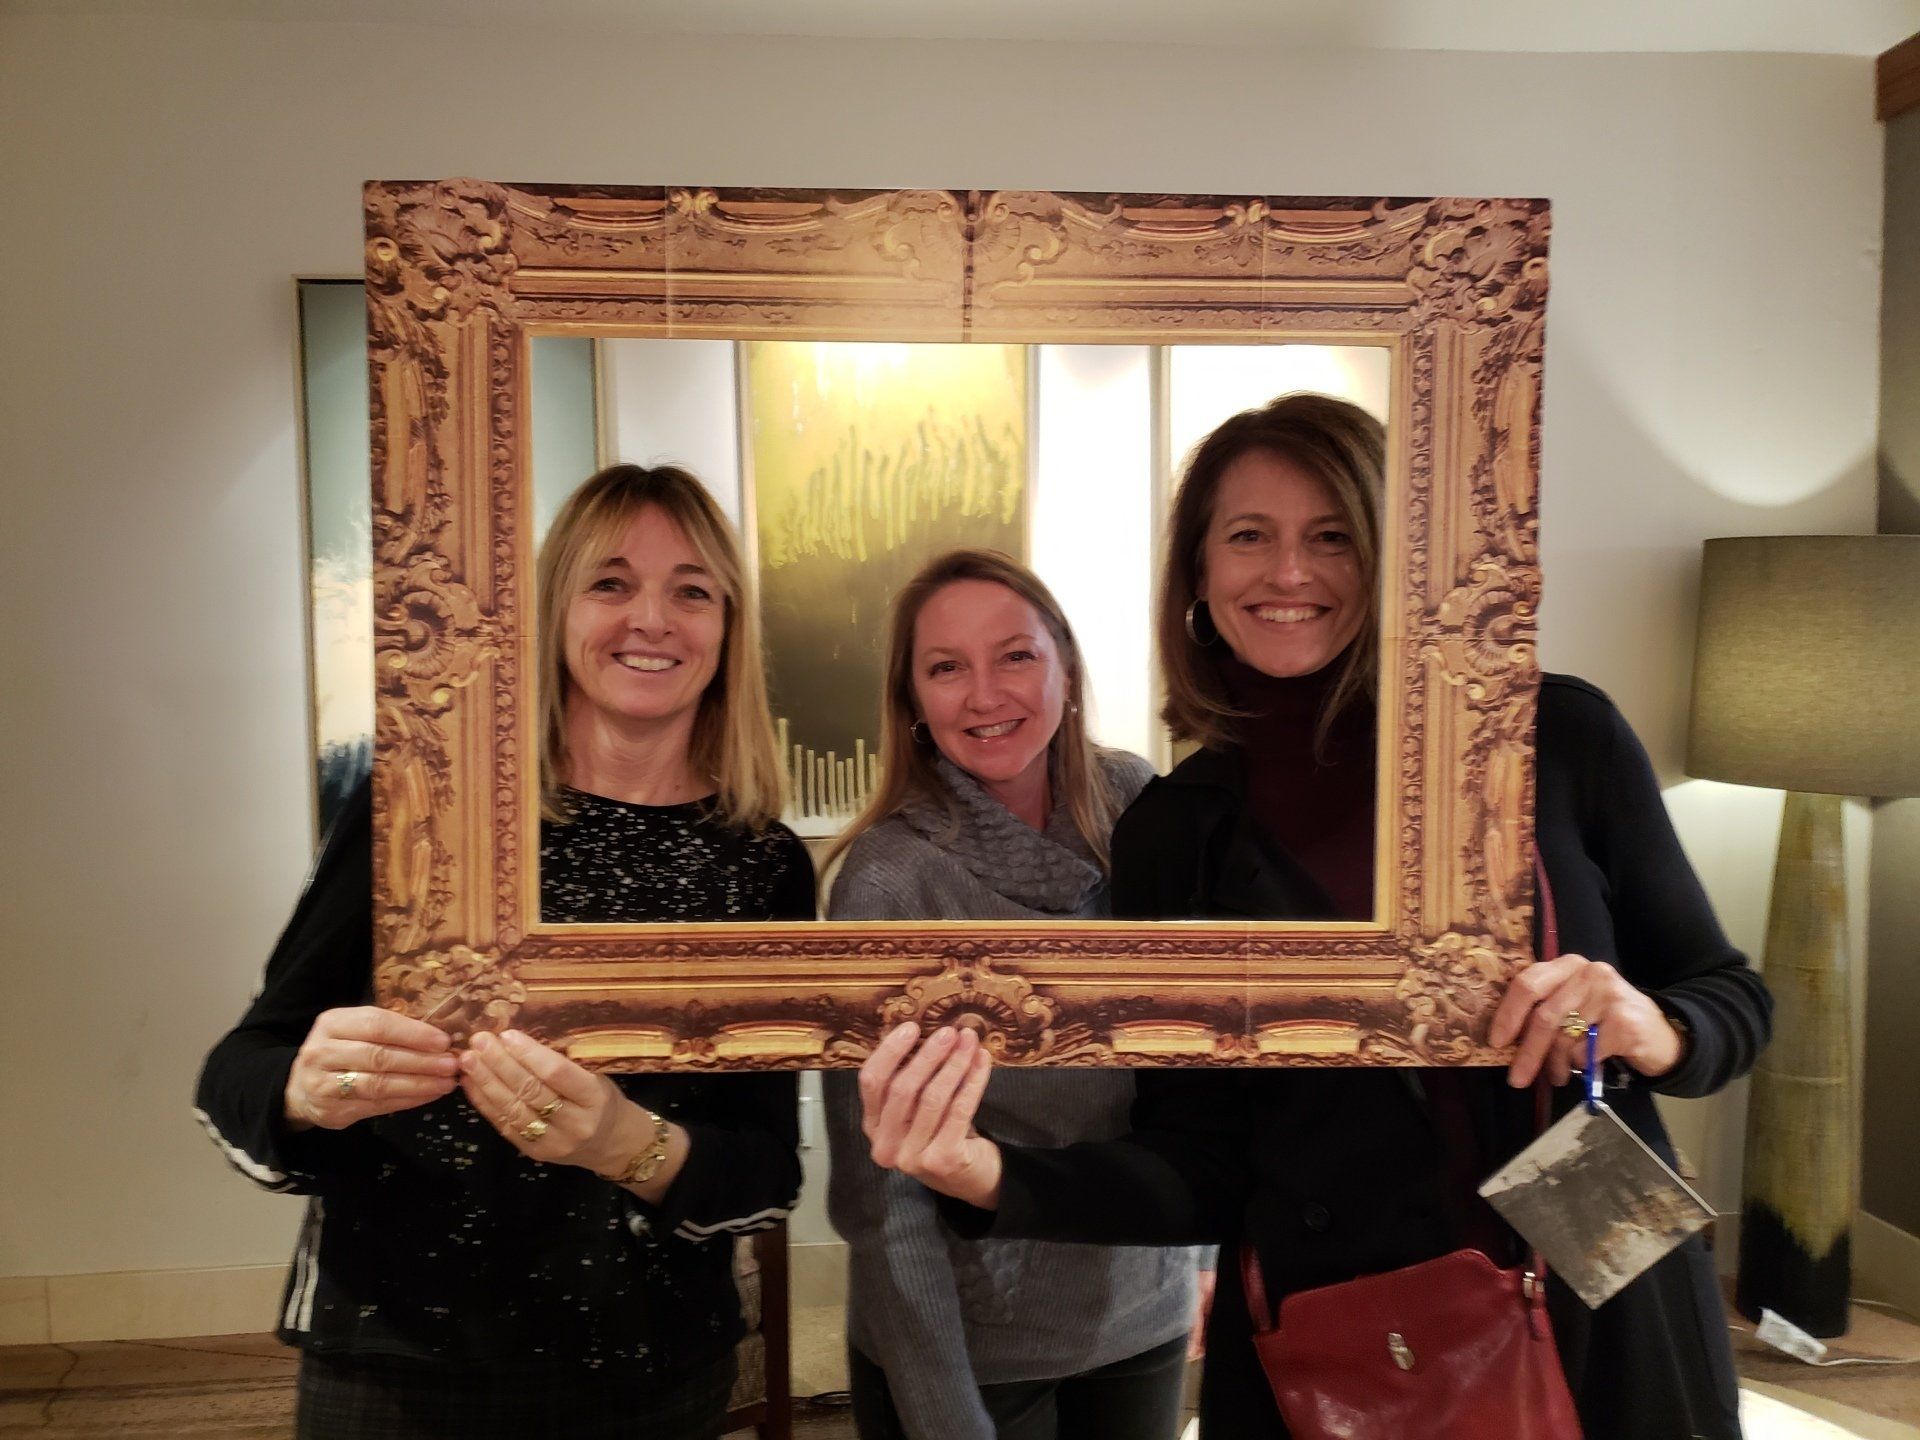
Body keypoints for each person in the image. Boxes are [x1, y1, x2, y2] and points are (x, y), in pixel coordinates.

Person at [856, 395, 1772, 1440]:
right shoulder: (1176, 828)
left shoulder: (1551, 733)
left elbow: (1730, 996)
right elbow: (1202, 1165)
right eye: (1250, 536)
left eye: (1331, 535)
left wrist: (1656, 1026)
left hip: (1604, 1252)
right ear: (1200, 573)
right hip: (1340, 1321)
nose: (1288, 573)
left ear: (1391, 553)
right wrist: (986, 1175)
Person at [195, 464, 814, 1440]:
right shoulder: (424, 807)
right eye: (610, 582)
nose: (651, 618)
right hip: (398, 1363)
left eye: (692, 590)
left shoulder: (763, 863)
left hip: (650, 1370)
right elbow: (241, 1068)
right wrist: (303, 1091)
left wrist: (628, 1146)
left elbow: (766, 1173)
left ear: (729, 627)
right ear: (554, 611)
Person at [822, 549, 1201, 1440]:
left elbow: (1202, 1052)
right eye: (946, 668)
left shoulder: (1144, 806)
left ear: (1065, 665)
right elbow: (882, 1194)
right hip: (973, 1348)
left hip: (1146, 1314)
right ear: (913, 701)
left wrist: (1206, 1250)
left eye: (1016, 655)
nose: (985, 694)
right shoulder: (889, 880)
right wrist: (944, 1412)